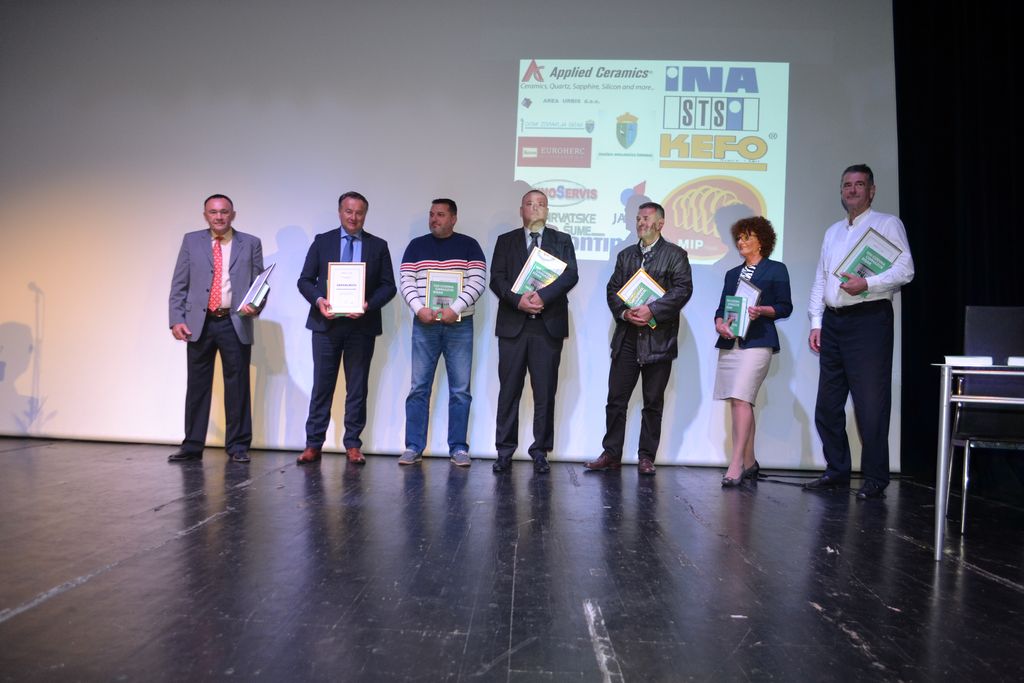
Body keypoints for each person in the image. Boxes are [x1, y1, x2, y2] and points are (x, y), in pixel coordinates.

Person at [805, 164, 914, 499]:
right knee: (827, 406)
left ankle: (876, 477)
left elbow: (906, 269)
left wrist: (868, 283)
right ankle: (837, 471)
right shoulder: (833, 231)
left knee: (870, 405)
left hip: (869, 321)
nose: (852, 190)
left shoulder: (887, 224)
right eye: (847, 185)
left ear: (872, 190)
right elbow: (822, 278)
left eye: (859, 184)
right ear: (841, 191)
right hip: (833, 323)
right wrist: (816, 322)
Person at [585, 202, 692, 476]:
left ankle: (646, 457)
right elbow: (613, 290)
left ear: (660, 223)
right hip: (627, 338)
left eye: (646, 218)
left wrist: (651, 310)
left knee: (652, 403)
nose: (641, 223)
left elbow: (682, 290)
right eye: (638, 219)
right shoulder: (626, 256)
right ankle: (611, 454)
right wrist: (624, 313)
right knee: (616, 400)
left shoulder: (676, 255)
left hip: (659, 340)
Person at [296, 191, 396, 466]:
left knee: (357, 388)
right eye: (349, 211)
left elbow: (388, 286)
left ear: (365, 214)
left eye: (359, 212)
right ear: (340, 212)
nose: (354, 217)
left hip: (361, 327)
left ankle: (353, 444)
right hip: (325, 325)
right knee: (322, 386)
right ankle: (313, 444)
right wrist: (319, 300)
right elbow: (305, 280)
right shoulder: (322, 241)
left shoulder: (378, 246)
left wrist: (367, 304)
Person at [168, 194, 265, 464]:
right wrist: (176, 319)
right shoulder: (191, 241)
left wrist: (256, 305)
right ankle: (192, 445)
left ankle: (238, 446)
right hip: (199, 323)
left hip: (234, 321)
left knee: (238, 385)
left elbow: (260, 284)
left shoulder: (250, 243)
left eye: (224, 212)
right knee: (197, 386)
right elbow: (179, 283)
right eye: (213, 212)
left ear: (233, 214)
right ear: (205, 215)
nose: (219, 217)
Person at [489, 190, 579, 473]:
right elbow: (497, 279)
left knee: (545, 392)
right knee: (509, 392)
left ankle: (540, 451)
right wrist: (518, 300)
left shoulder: (562, 240)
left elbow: (570, 274)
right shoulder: (506, 241)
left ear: (547, 210)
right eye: (529, 204)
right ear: (521, 210)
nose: (535, 208)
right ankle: (504, 451)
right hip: (513, 325)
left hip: (547, 326)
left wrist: (542, 297)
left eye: (540, 204)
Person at [398, 199, 487, 467]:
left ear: (453, 218)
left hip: (459, 324)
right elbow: (406, 280)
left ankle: (458, 448)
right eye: (431, 214)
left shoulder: (470, 246)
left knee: (460, 390)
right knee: (419, 388)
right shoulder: (416, 246)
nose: (434, 219)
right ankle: (413, 446)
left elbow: (478, 281)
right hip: (424, 324)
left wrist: (454, 309)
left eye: (440, 214)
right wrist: (419, 309)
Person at [712, 216, 792, 486]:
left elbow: (785, 307)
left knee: (742, 397)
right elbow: (721, 308)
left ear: (761, 241)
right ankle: (749, 463)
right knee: (739, 401)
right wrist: (720, 323)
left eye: (747, 237)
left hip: (757, 342)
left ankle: (735, 464)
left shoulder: (776, 269)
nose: (741, 242)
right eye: (739, 237)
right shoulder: (732, 274)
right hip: (731, 343)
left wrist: (763, 310)